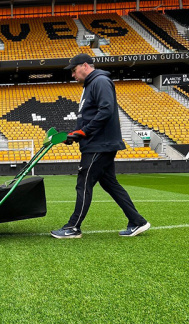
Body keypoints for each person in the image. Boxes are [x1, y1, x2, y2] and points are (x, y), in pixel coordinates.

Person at [51, 53, 150, 239]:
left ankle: (73, 227)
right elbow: (86, 117)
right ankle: (137, 221)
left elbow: (106, 110)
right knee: (111, 185)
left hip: (99, 145)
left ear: (85, 66)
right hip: (97, 143)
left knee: (84, 183)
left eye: (74, 70)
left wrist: (84, 132)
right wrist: (73, 135)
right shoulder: (90, 85)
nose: (73, 75)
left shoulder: (100, 81)